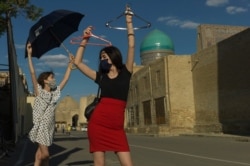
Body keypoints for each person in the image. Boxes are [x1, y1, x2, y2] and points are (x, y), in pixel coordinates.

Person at [74, 6, 134, 166]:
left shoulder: (126, 72)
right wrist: (84, 40)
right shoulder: (101, 77)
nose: (102, 58)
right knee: (99, 163)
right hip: (98, 124)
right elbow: (78, 63)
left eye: (104, 56)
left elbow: (131, 46)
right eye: (100, 57)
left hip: (117, 128)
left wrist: (129, 23)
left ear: (113, 56)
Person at [26, 42, 73, 166]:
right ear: (45, 80)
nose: (54, 79)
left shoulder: (55, 93)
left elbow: (65, 79)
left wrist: (70, 65)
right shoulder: (39, 91)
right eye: (52, 77)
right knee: (46, 155)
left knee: (40, 155)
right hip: (41, 126)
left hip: (50, 127)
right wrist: (30, 56)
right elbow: (32, 73)